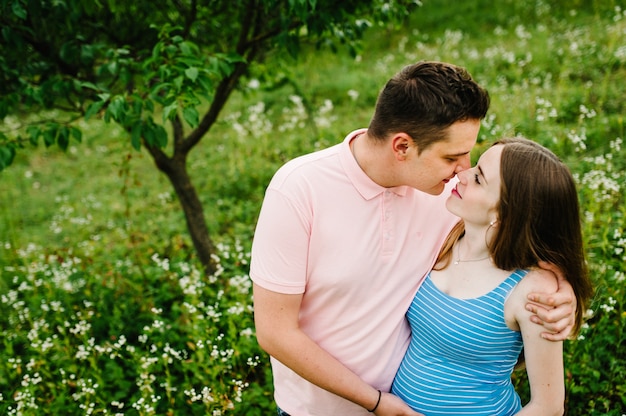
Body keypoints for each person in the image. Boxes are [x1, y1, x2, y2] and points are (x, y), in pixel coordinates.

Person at [250, 61, 577, 416]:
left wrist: (561, 289)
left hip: (410, 405)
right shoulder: (299, 189)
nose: (463, 170)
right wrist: (375, 403)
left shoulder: (448, 195)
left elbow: (525, 223)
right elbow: (275, 332)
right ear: (402, 146)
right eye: (452, 156)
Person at [391, 137, 594, 415]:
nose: (462, 174)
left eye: (478, 178)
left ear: (504, 212)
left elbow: (548, 407)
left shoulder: (535, 292)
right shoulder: (446, 236)